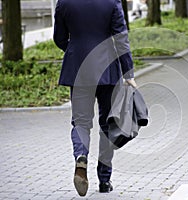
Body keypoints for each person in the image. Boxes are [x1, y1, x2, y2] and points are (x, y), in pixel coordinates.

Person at [53, 0, 137, 197]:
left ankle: (81, 156)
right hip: (107, 68)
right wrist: (128, 72)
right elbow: (121, 38)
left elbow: (59, 37)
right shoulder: (111, 1)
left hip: (78, 68)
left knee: (81, 122)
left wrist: (75, 51)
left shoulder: (64, 2)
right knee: (108, 124)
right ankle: (105, 180)